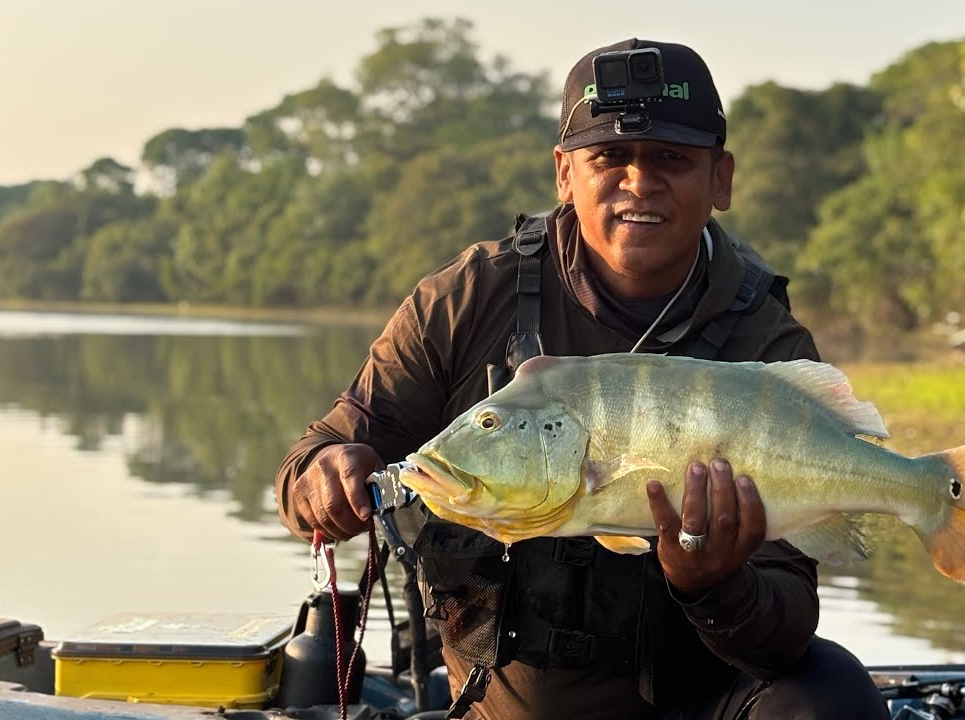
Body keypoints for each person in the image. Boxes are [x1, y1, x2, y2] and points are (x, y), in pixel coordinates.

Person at [275, 37, 891, 720]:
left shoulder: (765, 344)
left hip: (701, 706)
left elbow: (786, 630)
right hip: (497, 713)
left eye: (670, 159)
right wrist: (322, 477)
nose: (639, 181)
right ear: (564, 174)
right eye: (609, 158)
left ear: (721, 179)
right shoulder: (467, 300)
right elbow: (315, 459)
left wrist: (714, 583)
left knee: (831, 693)